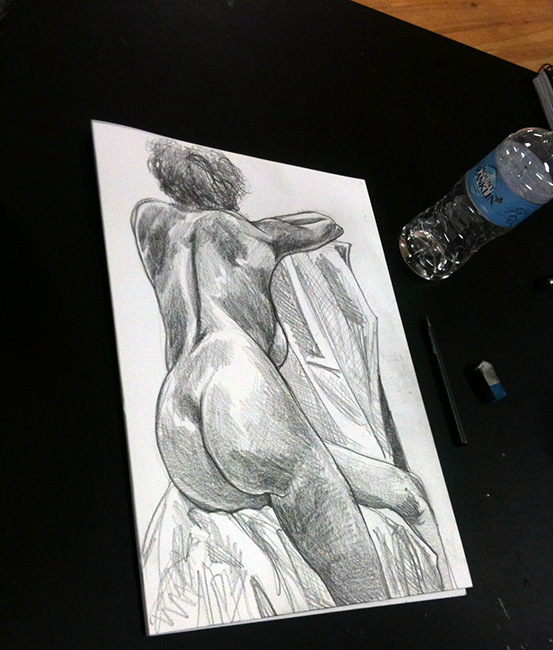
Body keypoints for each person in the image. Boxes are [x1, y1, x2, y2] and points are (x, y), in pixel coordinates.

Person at [132, 139, 446, 608]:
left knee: (405, 490)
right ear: (227, 183)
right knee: (357, 581)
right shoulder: (259, 238)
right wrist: (264, 226)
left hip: (177, 420)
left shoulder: (150, 222)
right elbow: (326, 224)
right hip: (238, 385)